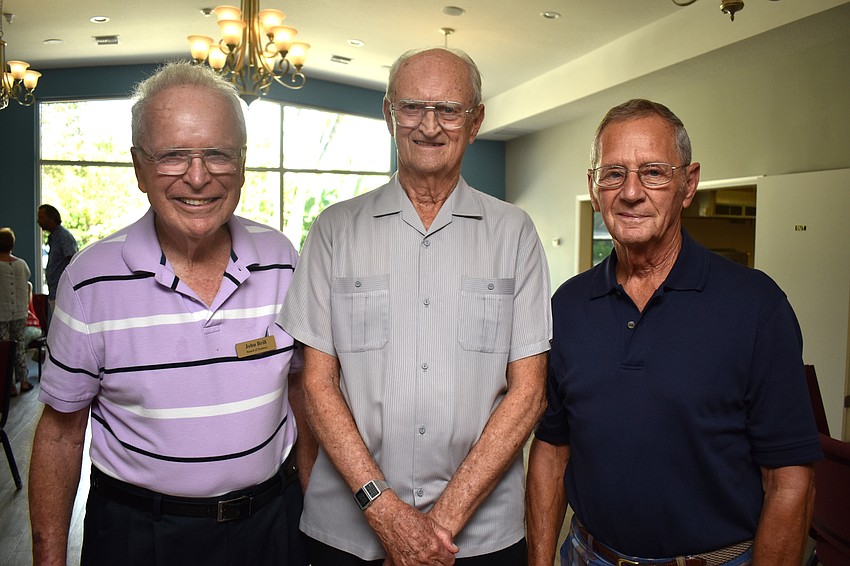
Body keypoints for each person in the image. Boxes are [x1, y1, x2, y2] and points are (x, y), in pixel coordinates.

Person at [278, 47, 552, 566]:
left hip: (481, 536)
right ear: (388, 115)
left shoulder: (514, 234)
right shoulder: (334, 231)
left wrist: (436, 526)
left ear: (475, 122)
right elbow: (315, 384)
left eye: (449, 109)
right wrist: (384, 511)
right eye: (412, 108)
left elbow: (529, 393)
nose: (430, 126)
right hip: (351, 532)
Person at [29, 61, 310, 566]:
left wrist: (315, 518)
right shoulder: (89, 281)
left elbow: (301, 391)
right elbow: (61, 430)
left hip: (273, 526)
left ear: (242, 163)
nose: (198, 178)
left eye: (218, 155)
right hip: (141, 536)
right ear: (139, 167)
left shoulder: (283, 259)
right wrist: (48, 560)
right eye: (173, 156)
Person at [526, 99, 822, 566]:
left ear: (689, 184)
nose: (631, 192)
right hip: (588, 555)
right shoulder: (568, 306)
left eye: (654, 172)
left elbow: (789, 477)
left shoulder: (757, 307)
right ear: (593, 186)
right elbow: (552, 448)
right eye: (614, 173)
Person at [0, 227, 34, 395]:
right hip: (20, 312)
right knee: (19, 346)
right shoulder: (22, 265)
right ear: (12, 244)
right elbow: (26, 283)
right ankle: (25, 381)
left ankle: (10, 385)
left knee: (4, 349)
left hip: (2, 313)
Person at [36, 203, 78, 308]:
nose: (38, 221)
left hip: (62, 293)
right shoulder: (54, 237)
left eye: (41, 217)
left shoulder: (63, 237)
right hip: (55, 291)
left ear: (52, 217)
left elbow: (73, 261)